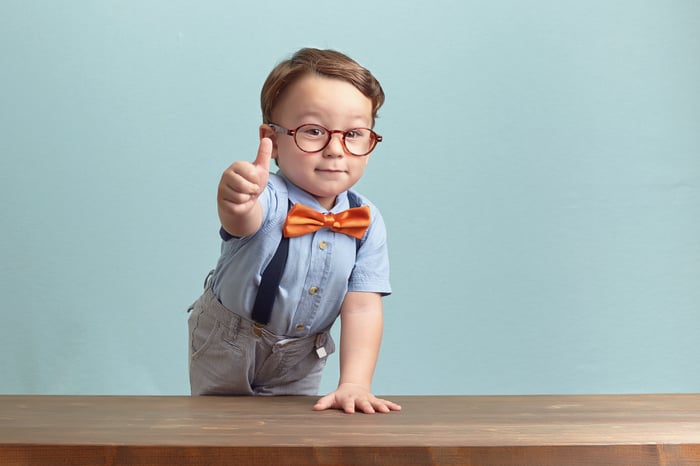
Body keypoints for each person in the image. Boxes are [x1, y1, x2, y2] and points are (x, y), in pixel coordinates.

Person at [187, 48, 401, 414]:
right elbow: (242, 219)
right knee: (219, 430)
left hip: (302, 351)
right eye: (313, 131)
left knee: (292, 435)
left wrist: (354, 383)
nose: (336, 149)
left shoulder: (365, 220)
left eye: (354, 133)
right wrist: (236, 199)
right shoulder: (266, 195)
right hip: (228, 340)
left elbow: (363, 308)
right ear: (271, 140)